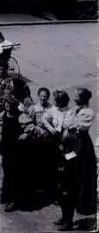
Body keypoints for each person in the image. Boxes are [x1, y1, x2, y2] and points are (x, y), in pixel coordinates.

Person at [55, 88, 97, 230]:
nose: (73, 97)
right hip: (70, 144)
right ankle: (64, 216)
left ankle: (68, 220)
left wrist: (68, 127)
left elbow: (76, 128)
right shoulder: (75, 110)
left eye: (77, 95)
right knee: (63, 182)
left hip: (79, 149)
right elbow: (65, 125)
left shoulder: (87, 113)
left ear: (83, 98)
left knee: (71, 184)